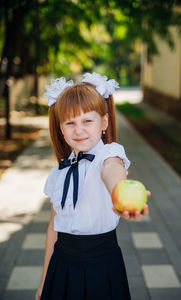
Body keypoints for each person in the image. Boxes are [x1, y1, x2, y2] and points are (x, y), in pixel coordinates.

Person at [35, 72, 150, 300]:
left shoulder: (109, 154)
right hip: (62, 265)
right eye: (70, 123)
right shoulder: (59, 172)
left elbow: (112, 171)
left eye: (87, 121)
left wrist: (119, 191)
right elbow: (53, 228)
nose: (79, 130)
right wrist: (44, 281)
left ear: (104, 122)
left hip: (101, 266)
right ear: (60, 127)